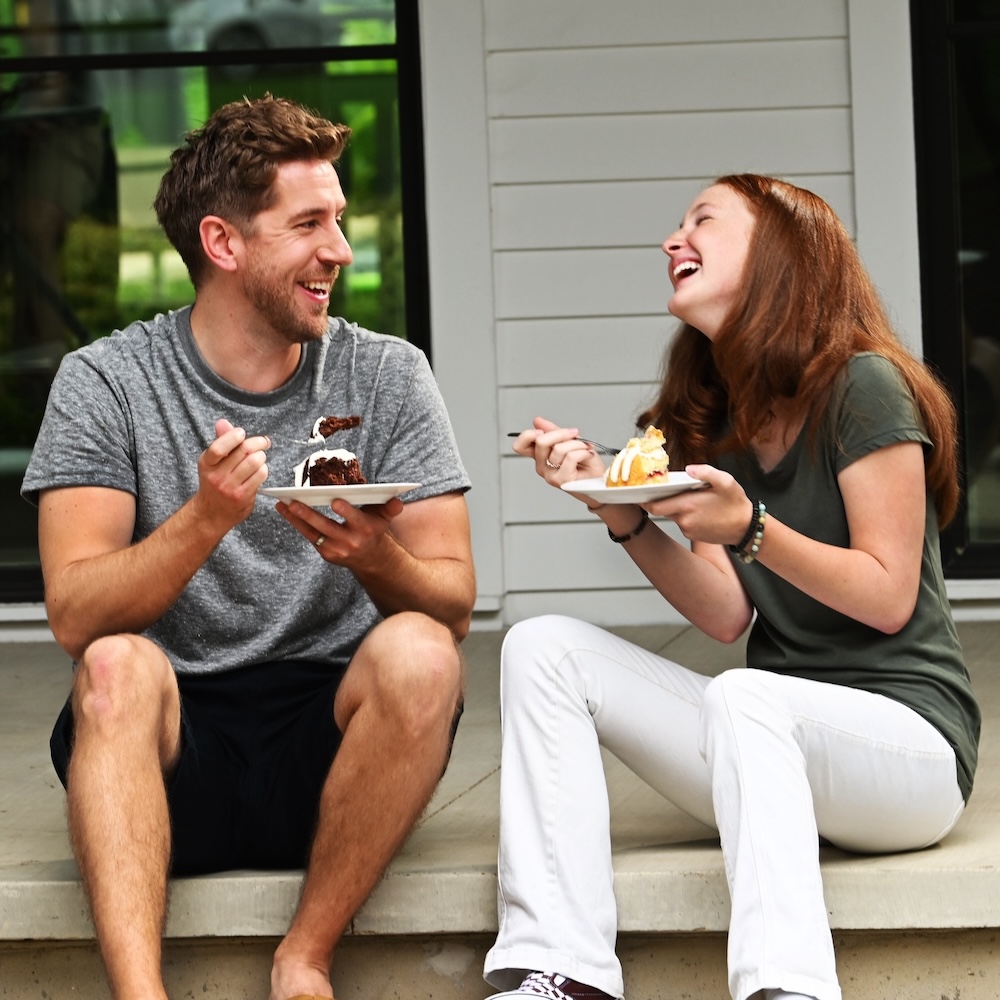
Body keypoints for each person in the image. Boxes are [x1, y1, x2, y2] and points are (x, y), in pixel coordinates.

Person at [20, 94, 476, 1000]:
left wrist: (374, 558)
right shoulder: (106, 381)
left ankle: (303, 959)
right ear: (224, 244)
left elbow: (455, 601)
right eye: (310, 224)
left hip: (332, 755)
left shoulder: (388, 372)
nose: (340, 251)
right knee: (113, 665)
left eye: (339, 220)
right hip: (176, 747)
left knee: (423, 653)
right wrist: (203, 519)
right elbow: (73, 614)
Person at [490, 174, 980, 1000]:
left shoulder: (864, 386)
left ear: (778, 258)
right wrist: (616, 510)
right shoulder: (714, 411)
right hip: (769, 745)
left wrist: (752, 527)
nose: (672, 241)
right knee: (542, 648)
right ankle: (558, 966)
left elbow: (890, 593)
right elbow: (725, 612)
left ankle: (784, 989)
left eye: (702, 222)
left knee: (747, 696)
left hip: (908, 751)